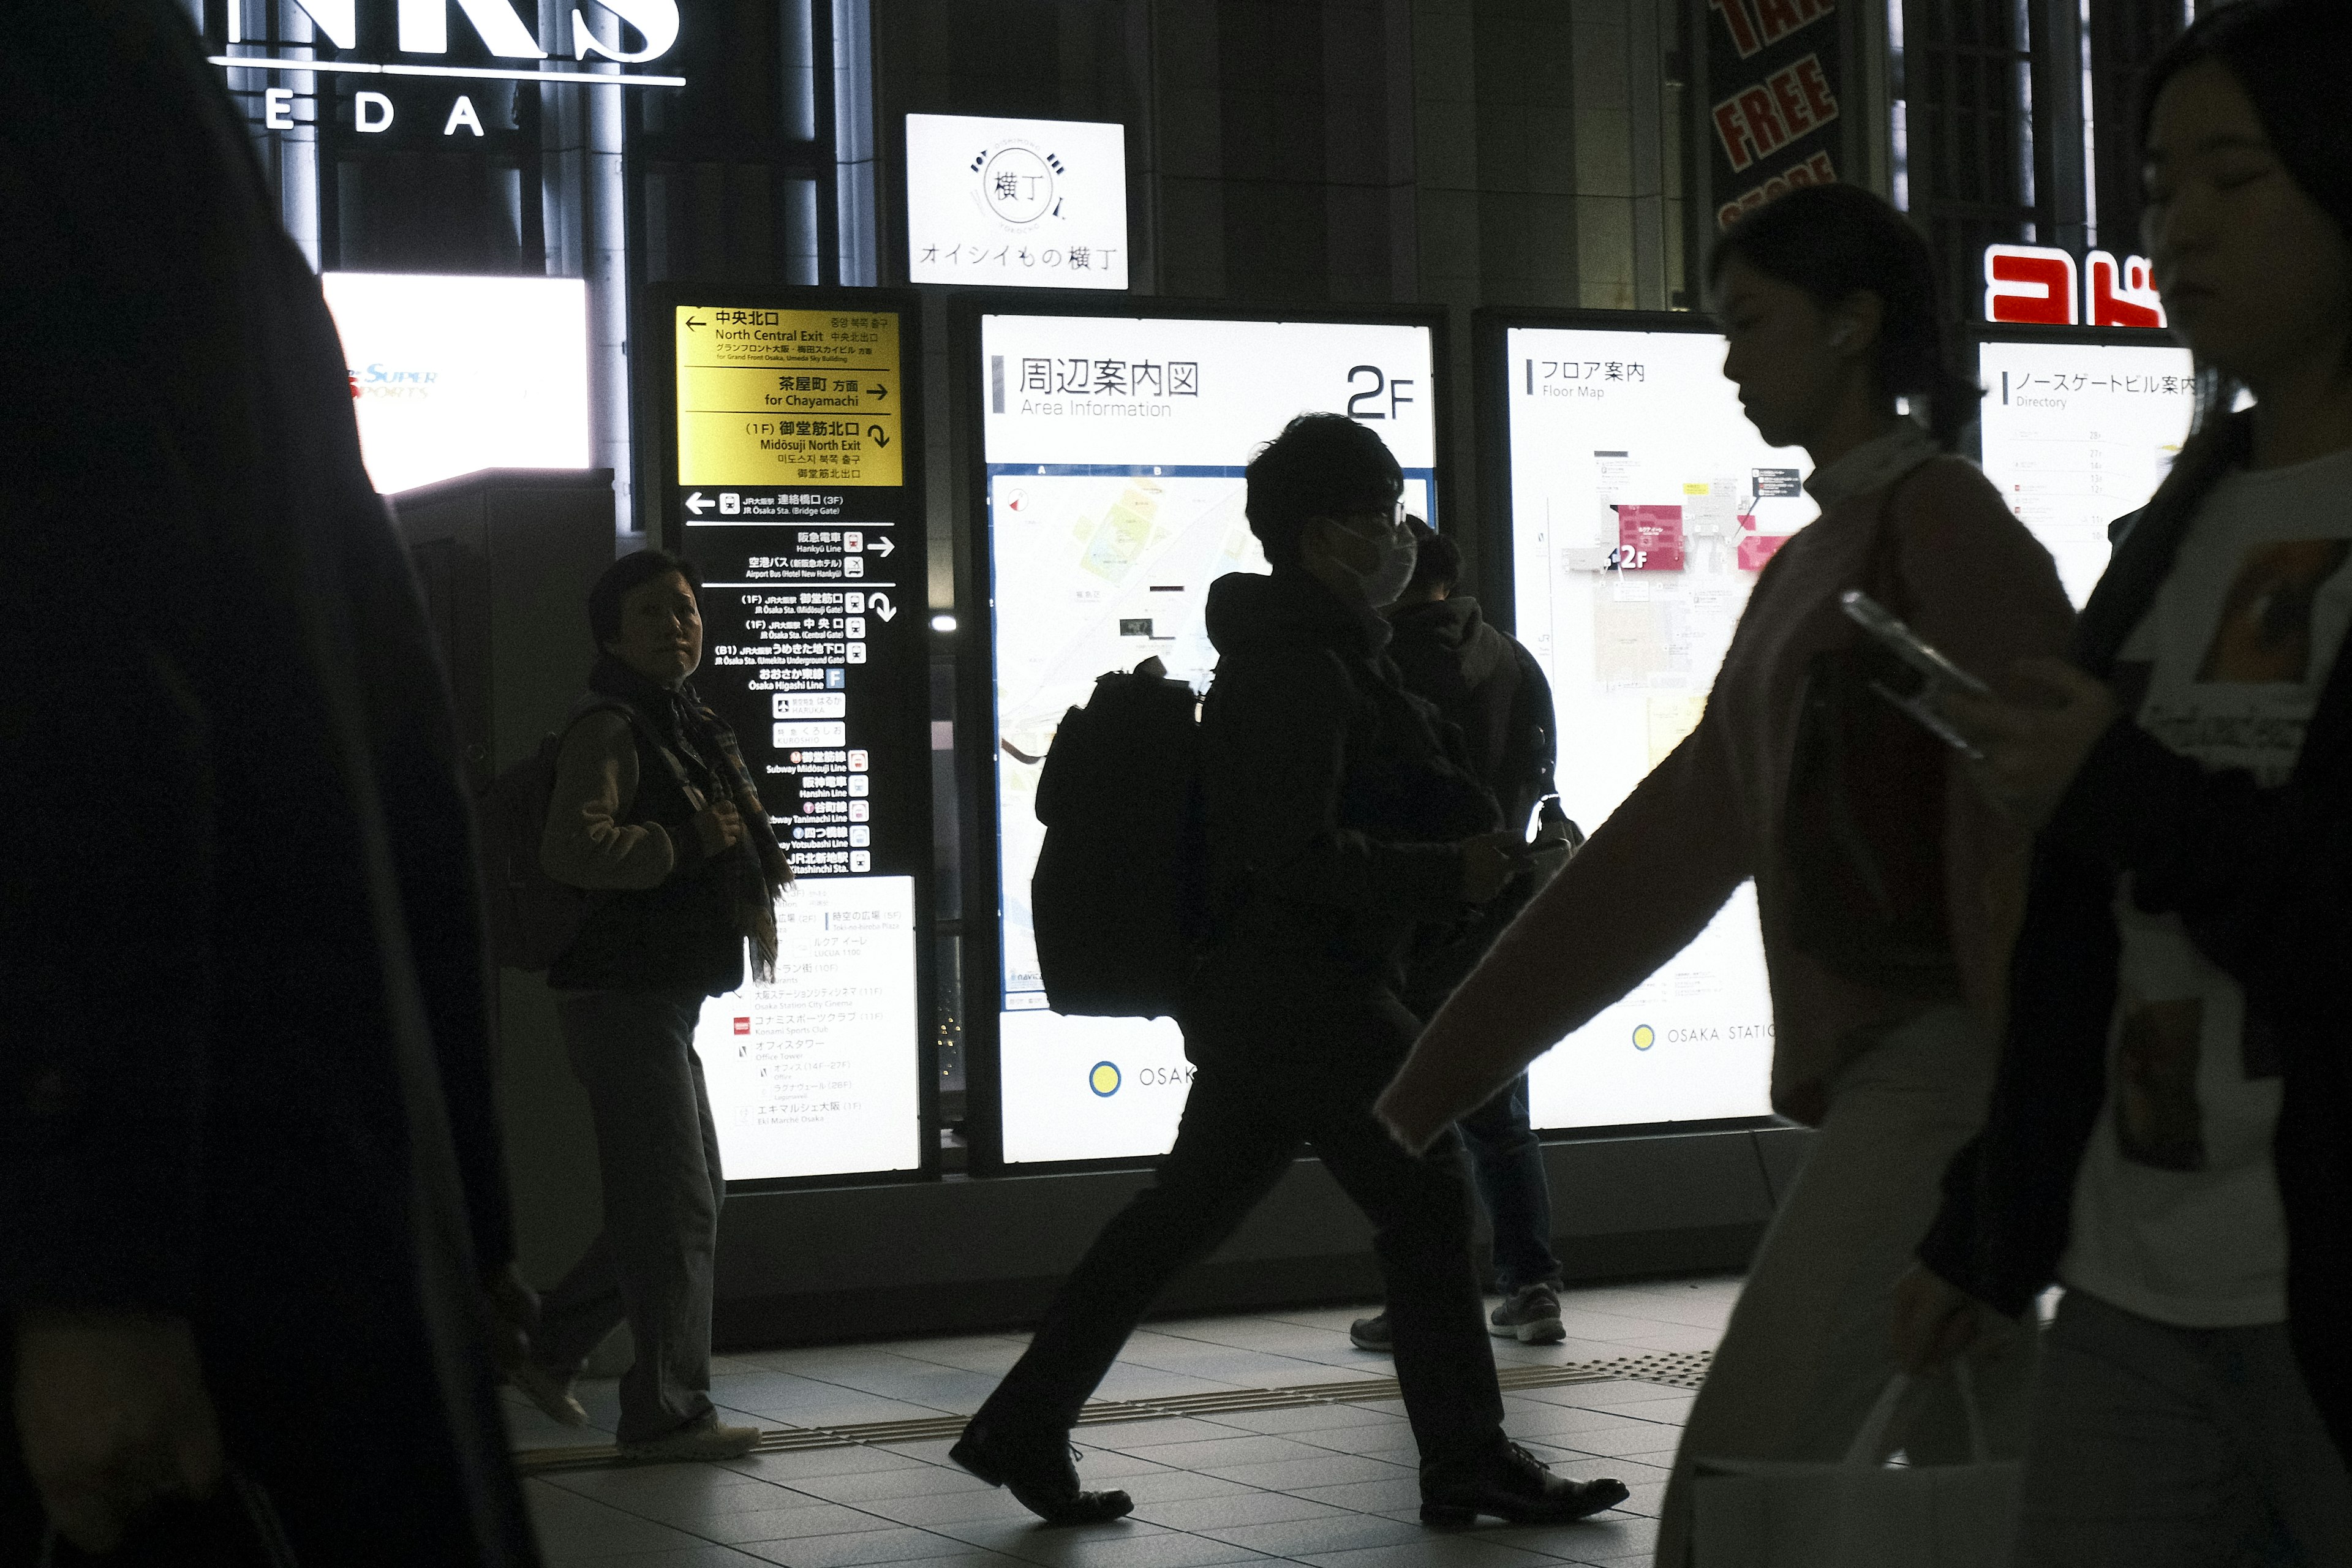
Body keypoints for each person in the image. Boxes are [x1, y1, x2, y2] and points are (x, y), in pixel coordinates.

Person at [1372, 183, 2078, 1567]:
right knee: (1995, 1488)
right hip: (1932, 1071)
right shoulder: (1823, 557)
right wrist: (1441, 1070)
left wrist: (2030, 1102)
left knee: (1740, 1482)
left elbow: (2046, 821)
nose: (1732, 360)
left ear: (1856, 321)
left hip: (1945, 1073)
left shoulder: (1940, 529)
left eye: (1752, 322)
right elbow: (1676, 840)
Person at [2, 0, 539, 1560]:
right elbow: (393, 734)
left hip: (127, 1254)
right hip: (292, 1204)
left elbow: (72, 678)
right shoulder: (153, 104)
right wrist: (472, 1210)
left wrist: (92, 1277)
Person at [952, 415, 1629, 1531]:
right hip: (1306, 994)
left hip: (1271, 1001)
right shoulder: (1294, 668)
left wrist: (1482, 861)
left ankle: (1021, 1423)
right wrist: (1444, 870)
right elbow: (1290, 855)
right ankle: (1465, 1457)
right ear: (1325, 537)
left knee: (1179, 1219)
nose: (1402, 537)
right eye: (1382, 517)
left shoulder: (1324, 651)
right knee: (1427, 1193)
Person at [1894, 4, 2352, 1561]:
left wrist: (2121, 789)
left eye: (2237, 177)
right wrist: (1990, 1226)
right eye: (2161, 186)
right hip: (2131, 1271)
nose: (2180, 227)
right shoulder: (2189, 511)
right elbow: (2085, 937)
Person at [501, 550, 793, 1462]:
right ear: (611, 634)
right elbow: (574, 849)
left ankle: (544, 1346)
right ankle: (667, 1413)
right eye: (652, 614)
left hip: (658, 998)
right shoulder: (613, 724)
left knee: (680, 1198)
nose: (678, 626)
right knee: (675, 1204)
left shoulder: (686, 723)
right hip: (623, 997)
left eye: (686, 610)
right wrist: (689, 839)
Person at [1351, 519, 1582, 1352]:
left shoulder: (1380, 665)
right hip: (1503, 907)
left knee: (1408, 1119)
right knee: (1497, 1110)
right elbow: (1539, 770)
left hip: (1410, 913)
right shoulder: (1513, 659)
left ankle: (1422, 1300)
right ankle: (1532, 1286)